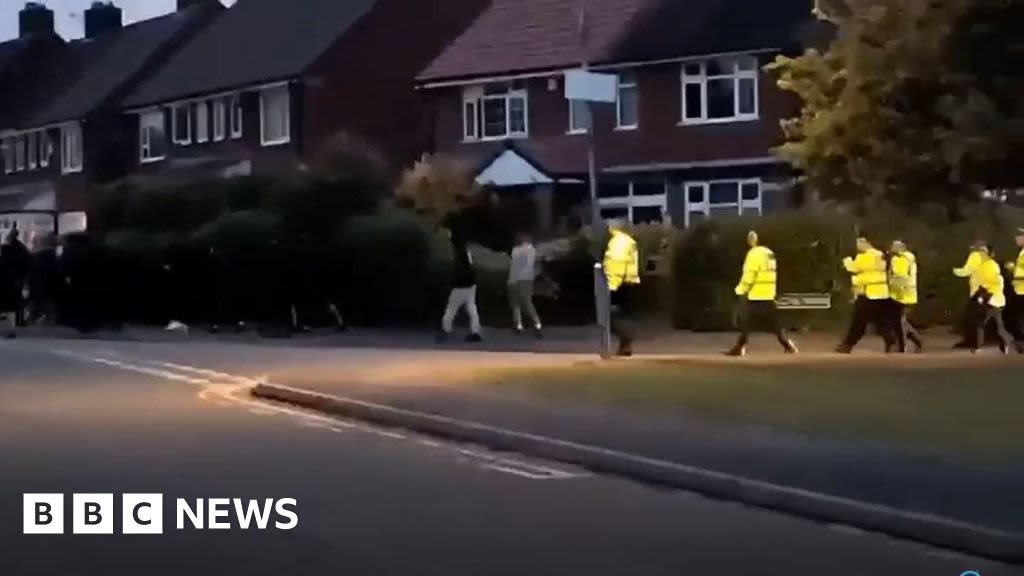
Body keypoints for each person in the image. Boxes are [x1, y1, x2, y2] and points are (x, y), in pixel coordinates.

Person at [727, 231, 797, 356]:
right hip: (768, 293)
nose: (750, 239)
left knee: (746, 322)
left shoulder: (754, 254)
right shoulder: (770, 254)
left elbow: (750, 274)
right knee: (773, 323)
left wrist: (740, 289)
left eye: (752, 237)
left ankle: (739, 347)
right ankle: (788, 344)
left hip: (756, 294)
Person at [837, 237, 895, 353]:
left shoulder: (866, 256)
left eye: (859, 243)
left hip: (869, 293)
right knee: (882, 322)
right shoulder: (879, 254)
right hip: (881, 292)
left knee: (858, 322)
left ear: (866, 243)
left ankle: (847, 345)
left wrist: (846, 260)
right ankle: (892, 344)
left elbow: (854, 268)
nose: (858, 246)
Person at [956, 244, 1014, 354]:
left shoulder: (990, 265)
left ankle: (978, 346)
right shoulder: (980, 265)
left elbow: (991, 283)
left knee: (982, 323)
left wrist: (983, 295)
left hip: (990, 299)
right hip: (986, 298)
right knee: (994, 324)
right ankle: (1004, 343)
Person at [603, 220, 640, 357]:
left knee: (613, 314)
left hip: (619, 283)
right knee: (624, 313)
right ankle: (625, 343)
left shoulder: (617, 242)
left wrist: (612, 284)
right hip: (630, 281)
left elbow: (617, 263)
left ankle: (626, 341)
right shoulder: (628, 240)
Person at [888, 240, 923, 353]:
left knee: (900, 319)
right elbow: (891, 274)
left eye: (894, 246)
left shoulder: (907, 258)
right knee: (898, 320)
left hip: (906, 293)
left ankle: (903, 346)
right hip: (895, 293)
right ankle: (916, 339)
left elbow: (906, 276)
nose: (892, 248)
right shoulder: (894, 259)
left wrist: (902, 286)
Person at [952, 241, 987, 349]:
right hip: (984, 289)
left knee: (973, 318)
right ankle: (974, 341)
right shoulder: (985, 257)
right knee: (976, 317)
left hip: (976, 291)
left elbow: (968, 270)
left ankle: (974, 343)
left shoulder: (975, 255)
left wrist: (954, 271)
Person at [508, 231, 542, 336]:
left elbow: (514, 264)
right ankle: (535, 323)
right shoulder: (532, 250)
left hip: (515, 278)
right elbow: (536, 264)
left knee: (517, 302)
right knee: (525, 302)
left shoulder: (517, 250)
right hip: (526, 278)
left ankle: (520, 324)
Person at [1, 226, 31, 331]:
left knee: (15, 300)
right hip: (18, 277)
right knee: (18, 301)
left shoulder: (5, 249)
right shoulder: (21, 248)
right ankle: (20, 320)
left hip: (10, 277)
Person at [1005, 228, 1024, 352]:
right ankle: (1020, 342)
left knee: (1019, 318)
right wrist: (1012, 268)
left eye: (1020, 236)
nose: (1016, 238)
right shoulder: (1021, 252)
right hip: (1019, 290)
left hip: (1022, 290)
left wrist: (1017, 276)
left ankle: (1021, 343)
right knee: (1017, 317)